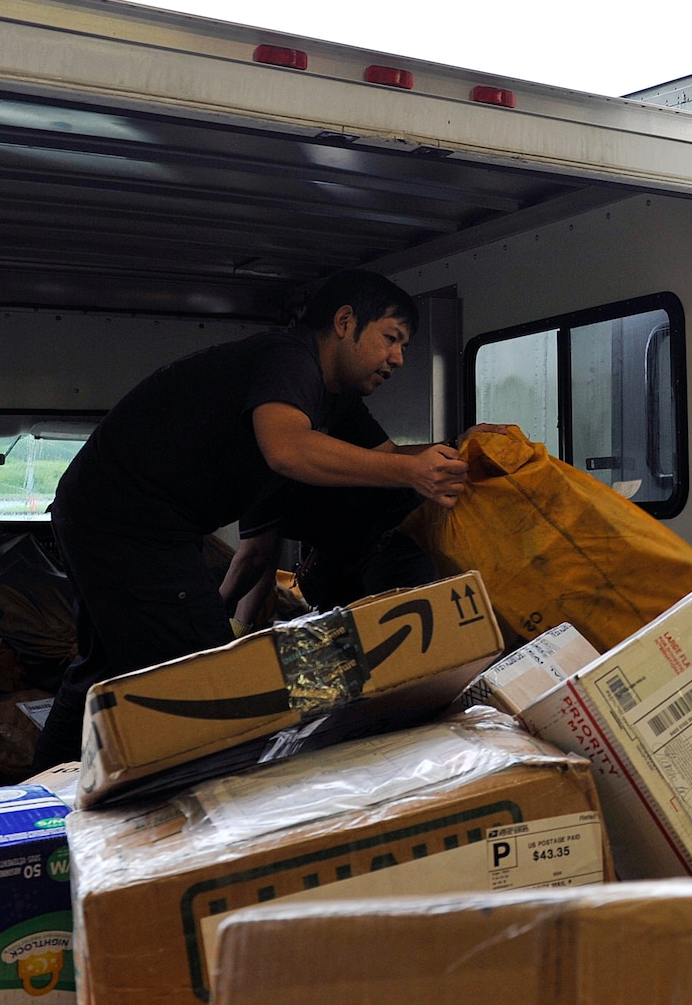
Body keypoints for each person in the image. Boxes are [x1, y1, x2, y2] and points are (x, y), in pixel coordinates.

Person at [30, 269, 470, 767]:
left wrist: (462, 452)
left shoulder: (336, 395)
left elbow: (389, 456)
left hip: (105, 511)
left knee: (104, 670)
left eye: (406, 347)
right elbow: (286, 449)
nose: (398, 359)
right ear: (345, 322)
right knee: (208, 683)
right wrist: (411, 470)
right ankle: (199, 814)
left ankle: (40, 794)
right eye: (391, 339)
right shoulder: (290, 359)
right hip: (127, 521)